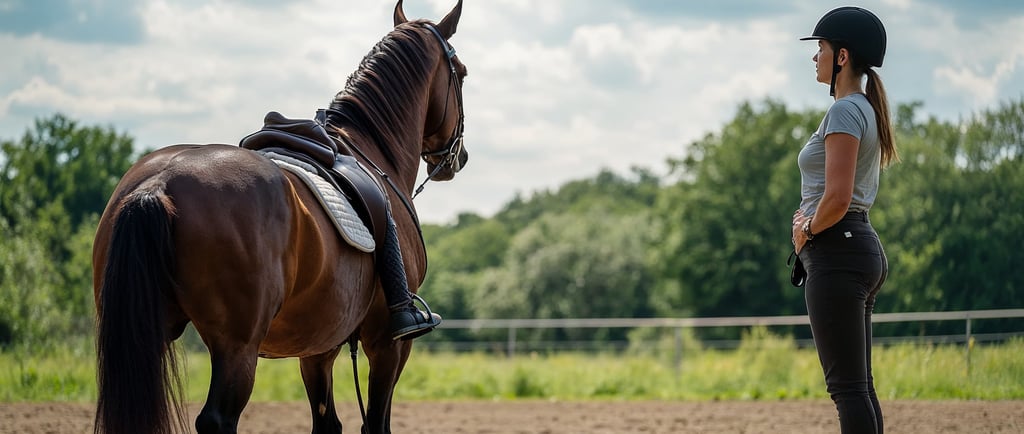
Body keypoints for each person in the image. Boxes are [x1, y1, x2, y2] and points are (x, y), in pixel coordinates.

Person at [792, 6, 897, 434]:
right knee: (860, 388)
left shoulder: (844, 111)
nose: (814, 56)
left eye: (820, 48)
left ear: (841, 57)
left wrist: (806, 230)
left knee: (848, 391)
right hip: (859, 248)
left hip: (838, 252)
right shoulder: (864, 109)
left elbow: (836, 197)